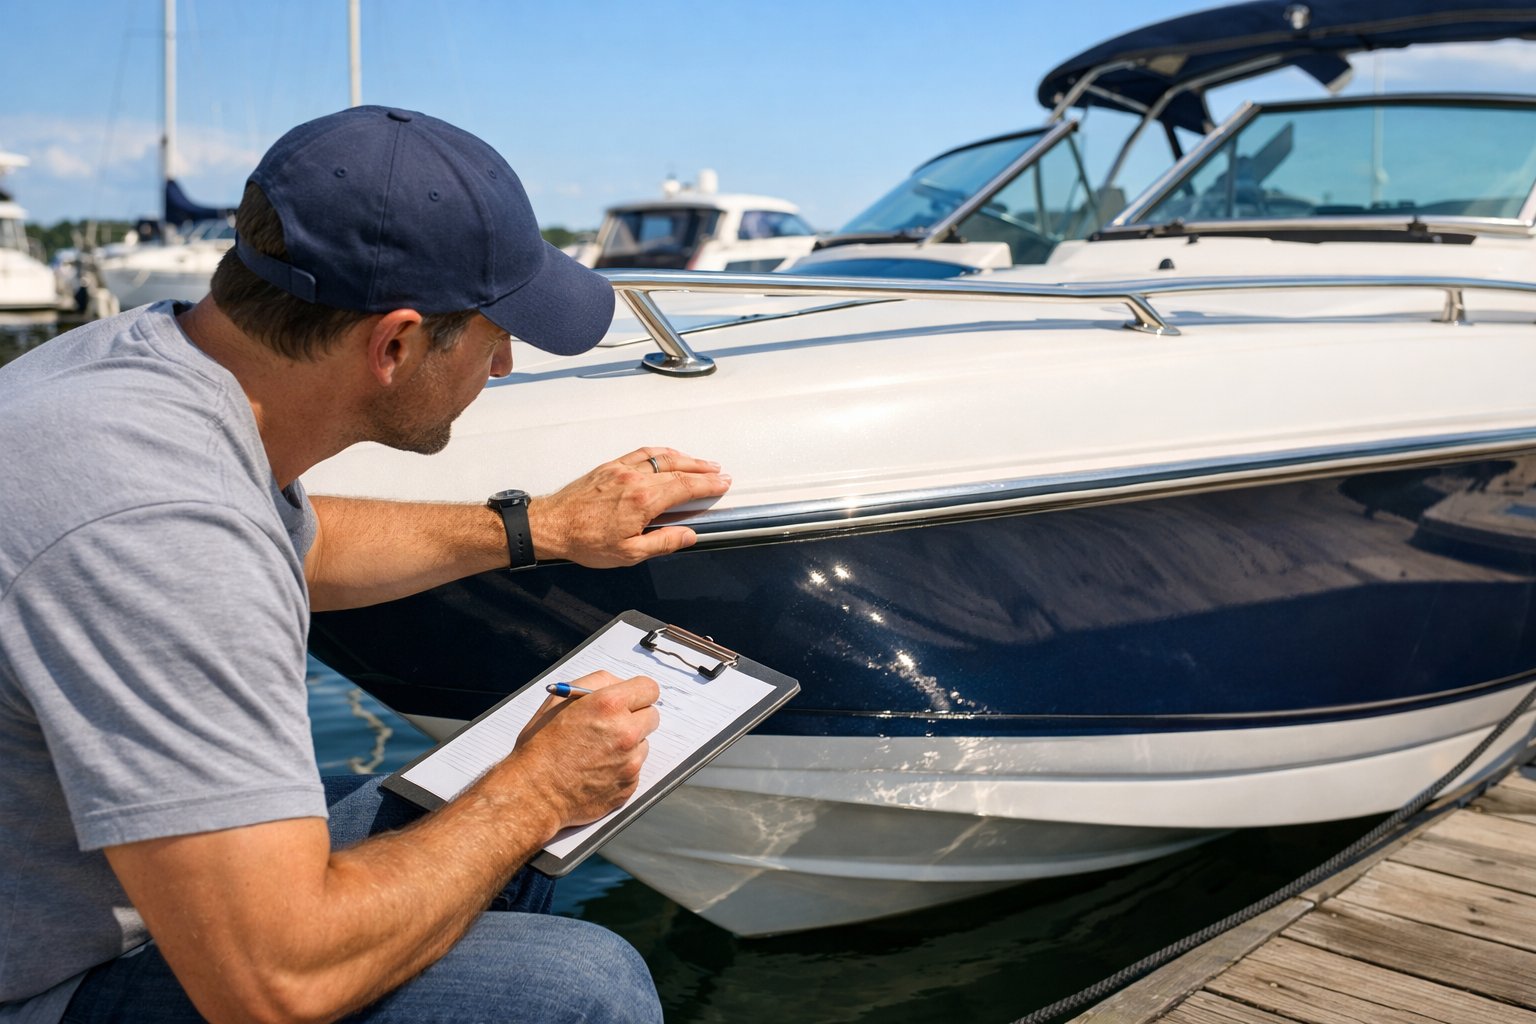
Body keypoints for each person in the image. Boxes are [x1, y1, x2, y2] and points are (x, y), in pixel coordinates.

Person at [0, 105, 731, 1023]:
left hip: (67, 892)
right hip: (39, 982)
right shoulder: (158, 530)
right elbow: (275, 983)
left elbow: (292, 547)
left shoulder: (142, 372)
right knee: (580, 987)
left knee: (462, 819)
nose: (503, 365)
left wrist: (535, 527)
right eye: (491, 333)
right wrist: (534, 790)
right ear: (393, 344)